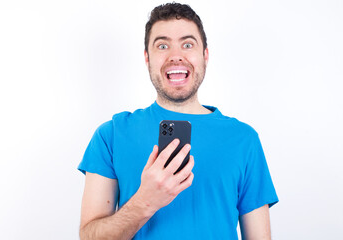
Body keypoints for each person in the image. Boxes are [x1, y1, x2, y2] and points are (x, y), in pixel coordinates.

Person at [78, 3, 278, 240]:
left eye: (187, 44)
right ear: (147, 58)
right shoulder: (111, 134)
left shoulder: (244, 140)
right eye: (162, 45)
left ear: (205, 55)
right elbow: (89, 236)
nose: (175, 56)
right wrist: (145, 201)